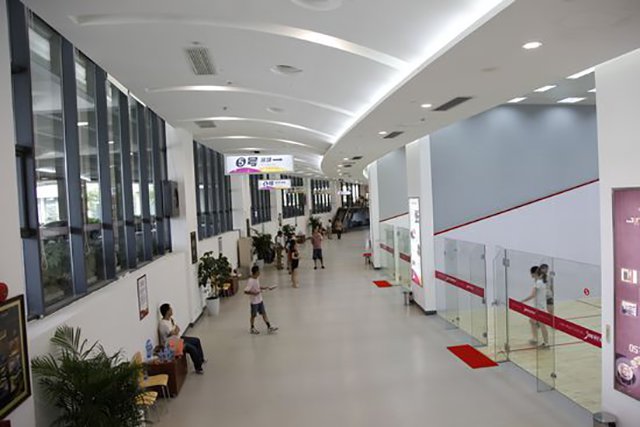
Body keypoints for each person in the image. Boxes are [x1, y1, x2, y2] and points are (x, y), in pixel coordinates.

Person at [159, 303, 206, 374]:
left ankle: (201, 359)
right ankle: (198, 368)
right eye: (170, 309)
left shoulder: (170, 319)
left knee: (196, 340)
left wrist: (175, 331)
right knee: (192, 348)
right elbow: (174, 332)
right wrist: (175, 331)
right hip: (172, 344)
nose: (172, 310)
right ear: (167, 311)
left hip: (178, 339)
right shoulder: (163, 324)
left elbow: (177, 329)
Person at [244, 265, 278, 334]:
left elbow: (258, 287)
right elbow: (245, 291)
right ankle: (252, 328)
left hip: (260, 300)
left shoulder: (256, 279)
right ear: (256, 272)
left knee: (264, 313)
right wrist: (254, 293)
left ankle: (269, 327)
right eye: (259, 271)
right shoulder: (251, 281)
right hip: (254, 302)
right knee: (253, 315)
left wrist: (265, 287)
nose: (260, 273)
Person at [521, 266, 549, 348]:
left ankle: (546, 343)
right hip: (538, 307)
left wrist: (522, 301)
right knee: (532, 321)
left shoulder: (538, 283)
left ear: (534, 273)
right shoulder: (540, 282)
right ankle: (535, 339)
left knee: (542, 325)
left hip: (540, 308)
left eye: (531, 273)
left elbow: (532, 295)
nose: (530, 275)